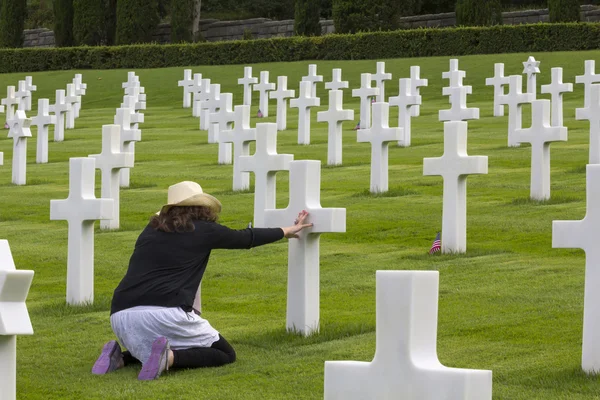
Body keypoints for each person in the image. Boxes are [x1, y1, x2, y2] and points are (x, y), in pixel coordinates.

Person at [92, 181, 312, 380]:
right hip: (164, 312)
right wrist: (286, 231)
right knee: (224, 353)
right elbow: (246, 238)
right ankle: (168, 359)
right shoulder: (204, 229)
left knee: (159, 341)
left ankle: (120, 358)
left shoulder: (150, 230)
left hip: (120, 314)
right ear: (201, 208)